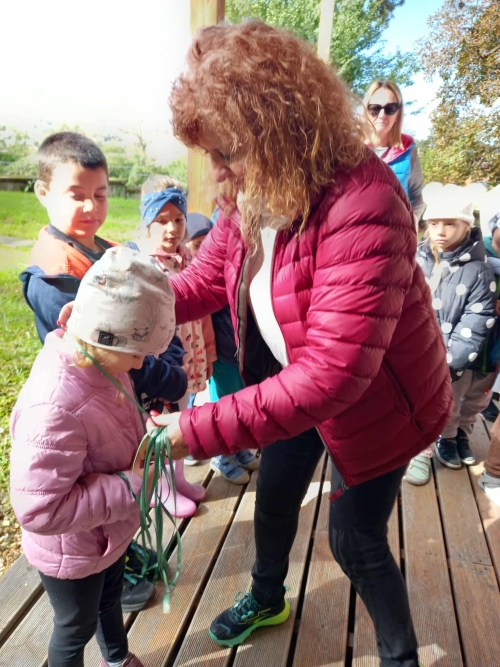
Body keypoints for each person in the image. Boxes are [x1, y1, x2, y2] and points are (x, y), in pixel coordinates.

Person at [137, 21, 452, 666]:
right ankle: (267, 596)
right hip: (295, 385)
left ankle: (400, 655)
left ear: (278, 129)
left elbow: (333, 376)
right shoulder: (251, 192)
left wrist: (192, 428)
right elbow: (205, 280)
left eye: (227, 151)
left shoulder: (366, 203)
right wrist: (118, 307)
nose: (217, 172)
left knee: (355, 541)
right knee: (276, 498)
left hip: (379, 406)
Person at [19, 131, 187, 611]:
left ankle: (117, 548)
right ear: (43, 191)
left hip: (113, 400)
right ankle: (109, 558)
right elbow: (120, 348)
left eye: (100, 193)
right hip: (87, 408)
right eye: (77, 195)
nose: (91, 207)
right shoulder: (53, 275)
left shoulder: (108, 250)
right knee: (89, 479)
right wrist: (170, 375)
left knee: (115, 472)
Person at [10, 246, 177, 667]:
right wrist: (133, 486)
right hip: (72, 550)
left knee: (109, 599)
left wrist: (146, 433)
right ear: (107, 335)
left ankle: (116, 658)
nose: (142, 363)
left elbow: (113, 422)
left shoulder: (102, 364)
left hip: (105, 535)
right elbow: (40, 509)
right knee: (75, 626)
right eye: (139, 353)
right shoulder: (53, 405)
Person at [132, 183, 215, 517]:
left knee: (182, 415)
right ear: (147, 223)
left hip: (190, 352)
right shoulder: (144, 264)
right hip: (163, 360)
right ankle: (161, 486)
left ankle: (177, 479)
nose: (172, 229)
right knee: (162, 420)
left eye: (178, 219)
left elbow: (203, 310)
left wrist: (208, 350)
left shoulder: (189, 257)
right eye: (162, 220)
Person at [405, 185, 496, 485]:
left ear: (466, 226)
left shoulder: (479, 272)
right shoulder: (415, 258)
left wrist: (447, 360)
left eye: (450, 224)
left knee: (447, 403)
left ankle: (441, 442)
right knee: (414, 402)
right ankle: (418, 448)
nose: (440, 231)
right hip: (412, 351)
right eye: (434, 223)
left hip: (449, 359)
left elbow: (477, 320)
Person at [186, 212, 260, 484]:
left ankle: (238, 449)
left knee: (241, 402)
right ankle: (222, 456)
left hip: (243, 353)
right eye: (197, 245)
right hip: (222, 354)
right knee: (225, 406)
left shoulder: (239, 267)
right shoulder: (207, 278)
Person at [363, 80, 425, 228]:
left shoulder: (408, 150)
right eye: (375, 108)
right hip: (358, 235)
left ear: (397, 114)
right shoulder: (349, 149)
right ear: (366, 111)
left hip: (396, 235)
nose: (382, 115)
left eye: (390, 108)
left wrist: (410, 224)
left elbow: (418, 196)